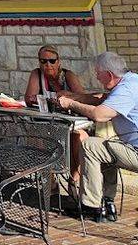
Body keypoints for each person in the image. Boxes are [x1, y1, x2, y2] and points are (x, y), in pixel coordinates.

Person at [59, 51, 138, 223]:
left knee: (90, 145)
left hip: (136, 151)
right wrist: (74, 96)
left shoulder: (127, 89)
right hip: (131, 147)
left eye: (97, 73)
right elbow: (103, 98)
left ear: (109, 75)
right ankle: (106, 203)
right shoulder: (131, 81)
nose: (96, 76)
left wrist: (71, 103)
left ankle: (91, 205)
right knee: (105, 148)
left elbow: (100, 114)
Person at [24, 43, 89, 184]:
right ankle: (49, 181)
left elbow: (83, 98)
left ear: (58, 61)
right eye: (43, 61)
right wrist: (46, 100)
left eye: (52, 61)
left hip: (68, 121)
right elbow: (29, 98)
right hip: (46, 121)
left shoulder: (68, 76)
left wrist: (68, 97)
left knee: (79, 136)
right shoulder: (36, 74)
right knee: (36, 137)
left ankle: (75, 181)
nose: (48, 64)